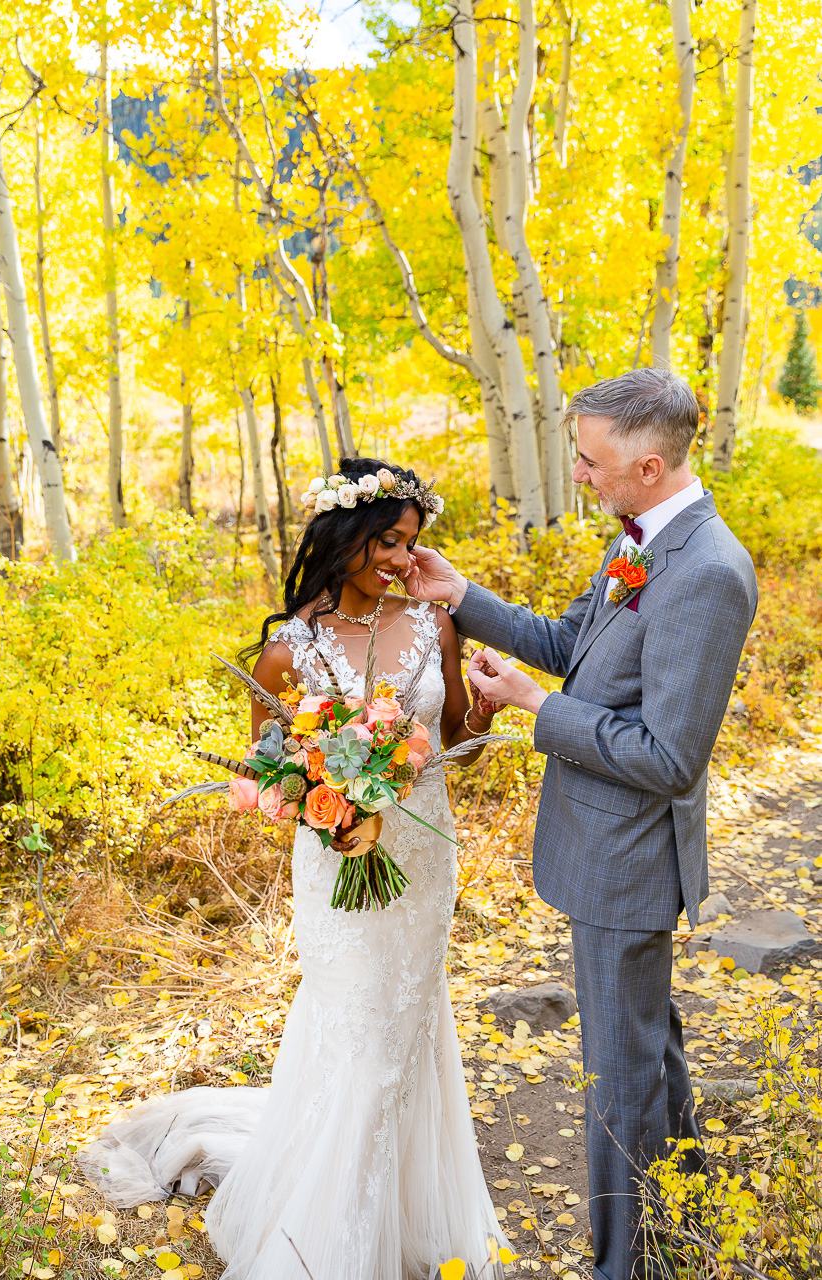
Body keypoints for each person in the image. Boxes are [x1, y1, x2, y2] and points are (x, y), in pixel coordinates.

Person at [80, 459, 510, 1280]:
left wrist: (480, 716)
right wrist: (331, 796)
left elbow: (457, 740)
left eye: (410, 542)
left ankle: (403, 1214)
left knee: (408, 1023)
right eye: (386, 539)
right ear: (341, 534)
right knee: (359, 1033)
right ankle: (330, 1240)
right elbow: (263, 778)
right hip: (335, 866)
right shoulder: (286, 649)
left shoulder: (434, 623)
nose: (398, 557)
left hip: (422, 858)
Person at [403, 368, 758, 1280]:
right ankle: (679, 1228)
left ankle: (624, 1266)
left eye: (590, 460)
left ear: (647, 464)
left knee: (619, 1073)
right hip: (598, 849)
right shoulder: (640, 542)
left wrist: (533, 708)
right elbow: (574, 647)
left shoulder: (707, 573)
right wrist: (459, 594)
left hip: (629, 862)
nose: (579, 472)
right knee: (647, 1048)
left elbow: (668, 758)